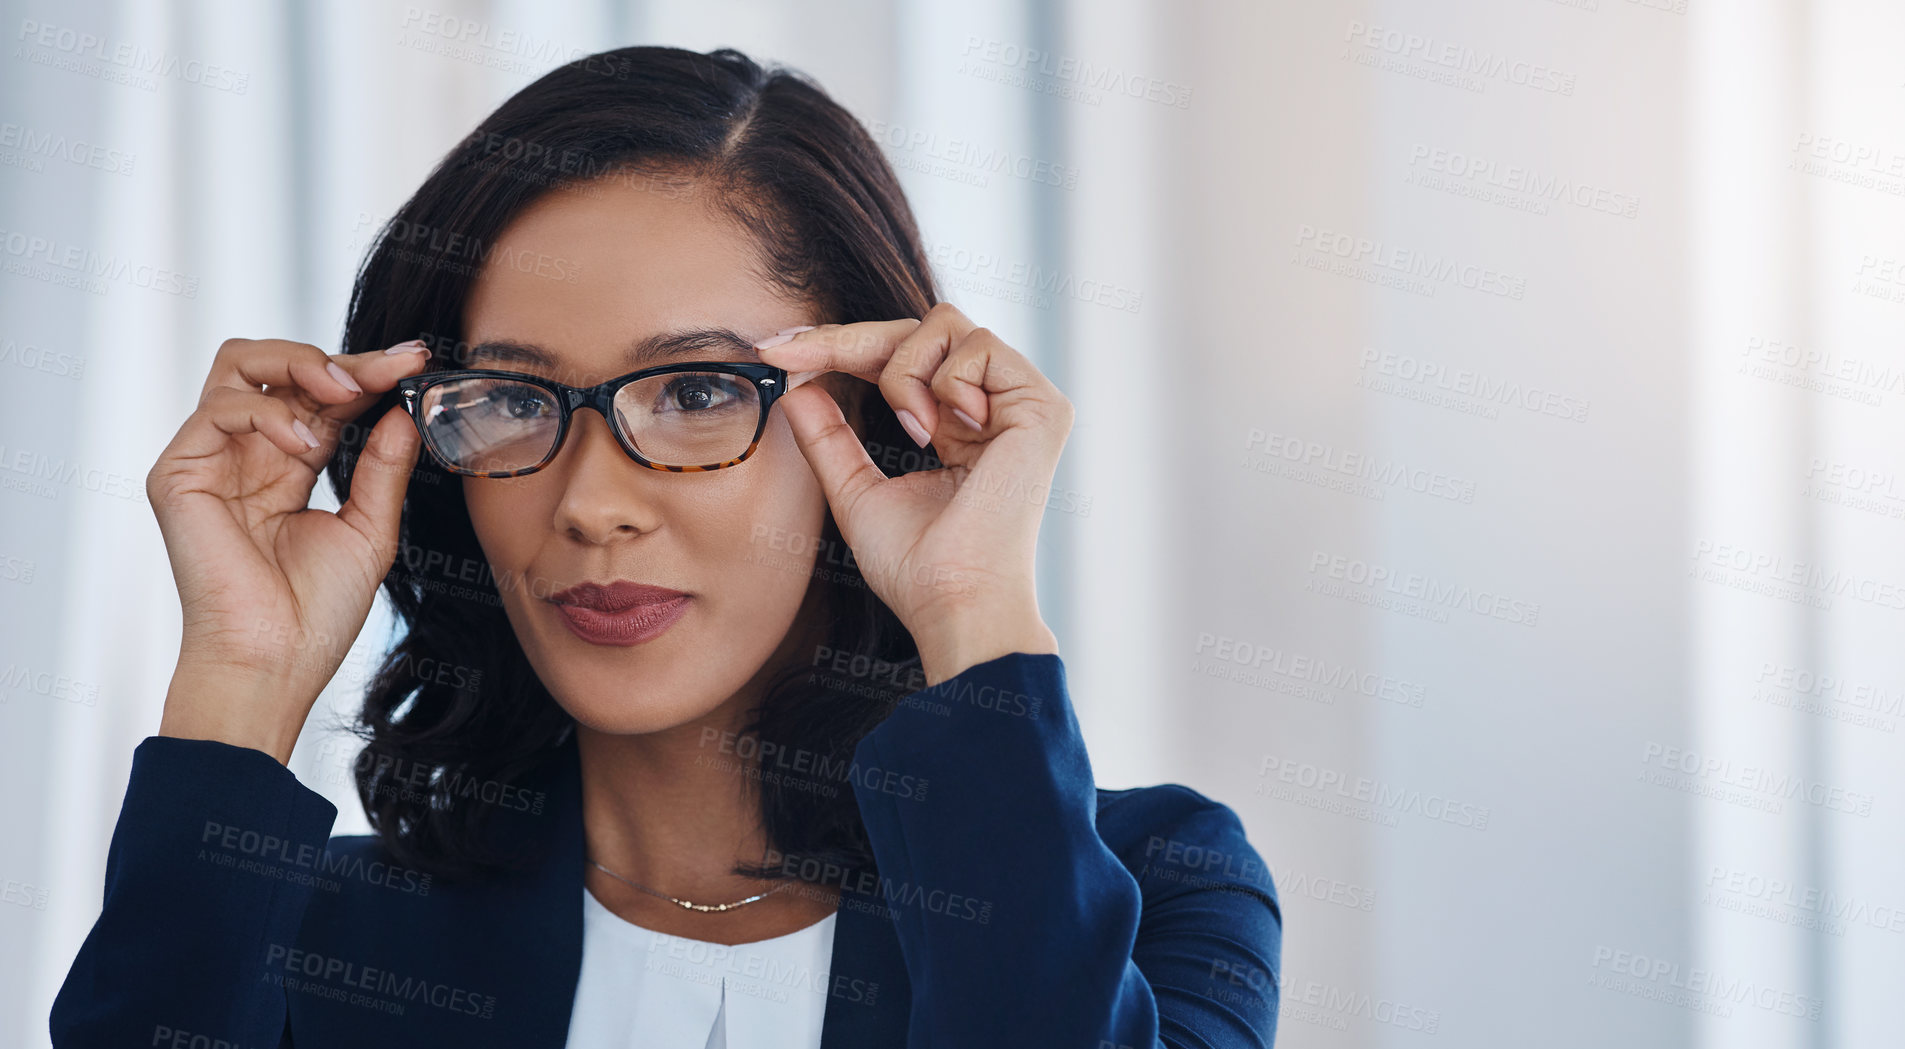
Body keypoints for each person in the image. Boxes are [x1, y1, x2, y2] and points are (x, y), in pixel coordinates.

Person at [49, 45, 1281, 1049]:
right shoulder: (306, 937)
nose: (590, 503)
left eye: (693, 392)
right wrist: (240, 681)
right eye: (512, 400)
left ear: (861, 414)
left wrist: (969, 608)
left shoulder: (1160, 886)